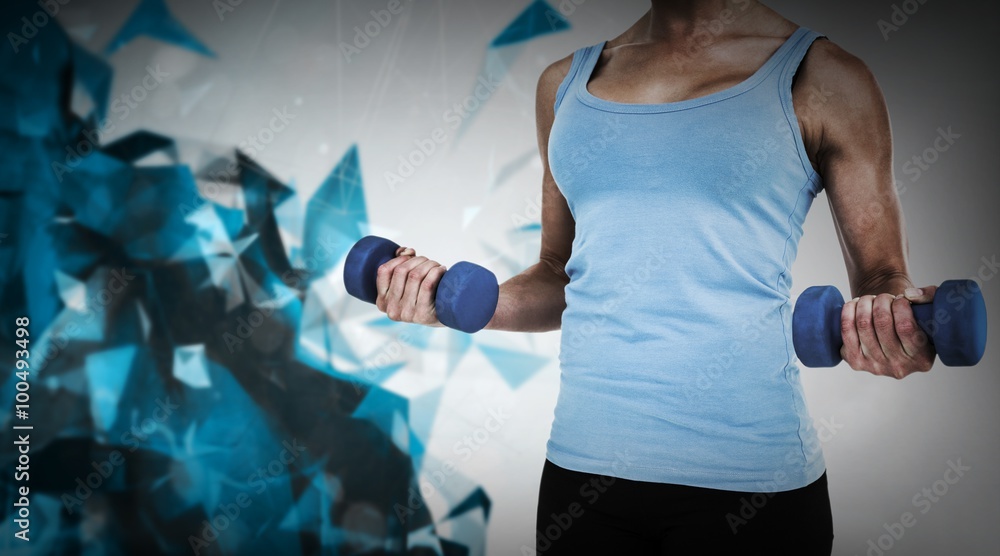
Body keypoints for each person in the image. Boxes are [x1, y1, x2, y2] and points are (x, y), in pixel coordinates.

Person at [371, 1, 936, 553]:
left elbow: (883, 275)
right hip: (581, 475)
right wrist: (451, 302)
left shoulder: (825, 76)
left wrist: (890, 323)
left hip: (749, 484)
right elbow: (560, 278)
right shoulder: (564, 83)